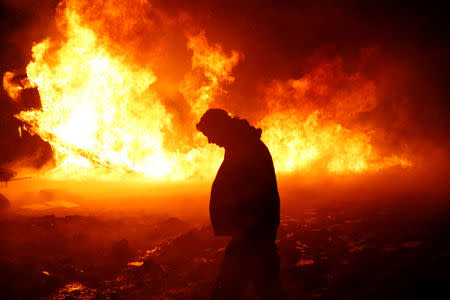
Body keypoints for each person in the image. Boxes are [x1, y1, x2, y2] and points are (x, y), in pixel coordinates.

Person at [196, 108, 285, 299]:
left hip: (251, 232)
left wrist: (243, 226)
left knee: (231, 286)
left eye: (210, 134)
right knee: (265, 283)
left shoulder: (245, 148)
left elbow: (252, 191)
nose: (210, 141)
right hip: (252, 230)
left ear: (220, 128)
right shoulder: (242, 144)